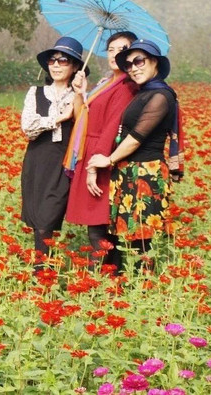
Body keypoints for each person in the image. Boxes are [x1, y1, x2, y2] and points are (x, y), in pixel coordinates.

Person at [86, 39, 183, 273]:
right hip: (127, 172)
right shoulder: (141, 93)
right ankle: (120, 288)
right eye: (129, 64)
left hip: (145, 175)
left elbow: (137, 137)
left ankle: (142, 294)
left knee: (139, 240)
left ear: (155, 63)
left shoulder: (161, 95)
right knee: (122, 237)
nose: (133, 67)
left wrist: (108, 160)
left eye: (139, 61)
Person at [64, 31, 139, 270]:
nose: (115, 54)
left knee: (100, 228)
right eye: (111, 49)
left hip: (102, 159)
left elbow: (110, 129)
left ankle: (97, 281)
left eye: (122, 49)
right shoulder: (107, 82)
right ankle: (110, 280)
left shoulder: (126, 87)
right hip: (91, 152)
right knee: (100, 227)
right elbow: (81, 116)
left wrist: (93, 167)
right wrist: (80, 93)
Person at [20, 37, 84, 270]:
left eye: (63, 60)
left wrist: (78, 95)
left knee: (48, 216)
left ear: (76, 66)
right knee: (39, 220)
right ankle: (41, 269)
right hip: (37, 160)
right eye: (52, 60)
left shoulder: (80, 96)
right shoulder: (35, 93)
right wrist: (59, 117)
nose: (56, 65)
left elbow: (84, 124)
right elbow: (28, 127)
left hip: (63, 162)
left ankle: (42, 271)